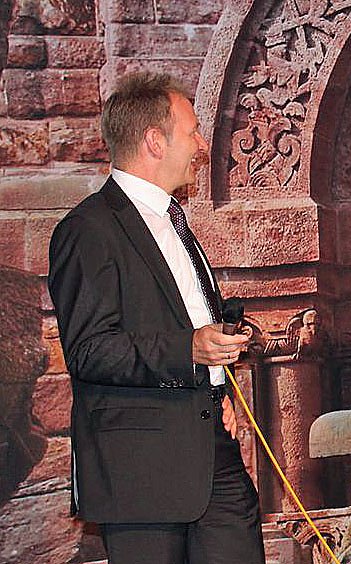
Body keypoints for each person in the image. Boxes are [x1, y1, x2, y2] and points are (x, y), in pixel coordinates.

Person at [47, 72, 265, 564]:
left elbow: (183, 317)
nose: (202, 145)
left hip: (213, 452)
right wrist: (190, 349)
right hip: (141, 472)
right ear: (154, 141)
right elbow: (89, 350)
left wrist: (218, 384)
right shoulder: (87, 230)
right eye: (193, 132)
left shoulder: (174, 222)